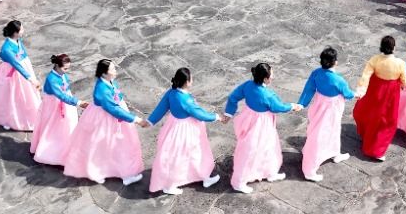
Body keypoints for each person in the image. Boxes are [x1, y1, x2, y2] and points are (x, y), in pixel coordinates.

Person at [63, 59, 150, 185]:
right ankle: (125, 175)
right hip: (105, 119)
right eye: (112, 69)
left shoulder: (110, 81)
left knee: (104, 146)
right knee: (116, 145)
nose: (115, 71)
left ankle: (102, 172)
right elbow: (113, 109)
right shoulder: (102, 89)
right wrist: (136, 119)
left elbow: (116, 98)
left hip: (109, 115)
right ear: (104, 73)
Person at [223, 63, 303, 194]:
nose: (273, 76)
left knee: (266, 147)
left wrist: (229, 113)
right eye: (272, 74)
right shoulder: (267, 95)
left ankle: (269, 172)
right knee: (253, 149)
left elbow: (233, 97)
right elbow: (278, 107)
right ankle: (239, 182)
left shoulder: (248, 85)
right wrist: (293, 106)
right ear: (265, 79)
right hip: (261, 124)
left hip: (249, 117)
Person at [147, 68, 221, 195]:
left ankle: (190, 179)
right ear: (187, 82)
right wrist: (216, 117)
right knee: (194, 153)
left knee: (177, 155)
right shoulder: (185, 100)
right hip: (186, 130)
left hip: (173, 126)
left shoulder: (172, 92)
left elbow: (161, 108)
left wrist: (149, 121)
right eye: (191, 78)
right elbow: (199, 114)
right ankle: (202, 178)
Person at [298, 47, 354, 182]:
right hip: (332, 109)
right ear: (335, 62)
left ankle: (334, 152)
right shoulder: (338, 80)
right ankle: (309, 170)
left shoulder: (316, 73)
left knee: (317, 130)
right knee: (325, 133)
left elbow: (308, 89)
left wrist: (302, 104)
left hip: (319, 105)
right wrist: (357, 93)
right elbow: (348, 94)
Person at [0, 21, 42, 131]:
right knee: (9, 96)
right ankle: (7, 119)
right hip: (12, 73)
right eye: (21, 29)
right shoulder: (6, 48)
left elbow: (22, 55)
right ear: (16, 32)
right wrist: (31, 79)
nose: (23, 30)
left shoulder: (17, 40)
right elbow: (16, 65)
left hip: (23, 66)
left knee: (23, 95)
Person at [353, 36, 406, 160]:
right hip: (391, 93)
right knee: (387, 120)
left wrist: (361, 90)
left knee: (371, 113)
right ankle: (377, 149)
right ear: (394, 47)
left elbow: (365, 76)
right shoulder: (400, 63)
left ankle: (366, 134)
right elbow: (404, 80)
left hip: (375, 89)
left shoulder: (375, 60)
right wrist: (403, 85)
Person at [31, 54, 89, 166]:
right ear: (57, 65)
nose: (66, 71)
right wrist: (78, 102)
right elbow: (60, 95)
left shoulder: (61, 74)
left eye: (68, 68)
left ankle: (67, 147)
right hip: (53, 106)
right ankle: (51, 152)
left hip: (65, 104)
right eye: (65, 68)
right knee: (52, 127)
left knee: (68, 125)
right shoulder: (52, 79)